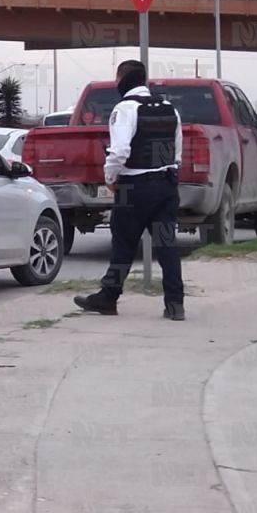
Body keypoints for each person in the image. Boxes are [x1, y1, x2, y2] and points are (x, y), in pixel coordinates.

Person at [74, 60, 186, 320]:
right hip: (166, 184)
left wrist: (110, 177)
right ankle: (175, 304)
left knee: (123, 246)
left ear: (121, 78)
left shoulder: (125, 109)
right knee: (168, 246)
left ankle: (108, 298)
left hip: (134, 187)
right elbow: (177, 151)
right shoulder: (169, 108)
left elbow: (121, 150)